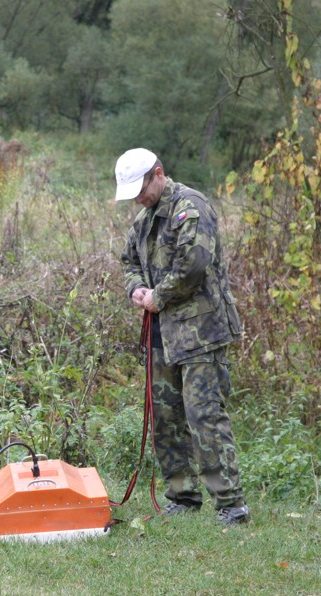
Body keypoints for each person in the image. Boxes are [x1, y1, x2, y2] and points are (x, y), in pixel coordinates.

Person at [115, 148, 249, 526]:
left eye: (140, 189)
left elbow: (194, 264)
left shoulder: (190, 206)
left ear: (158, 173)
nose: (137, 198)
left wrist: (159, 295)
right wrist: (136, 289)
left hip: (201, 333)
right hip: (162, 335)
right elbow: (128, 262)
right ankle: (182, 497)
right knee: (166, 419)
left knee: (204, 416)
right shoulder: (143, 221)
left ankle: (230, 504)